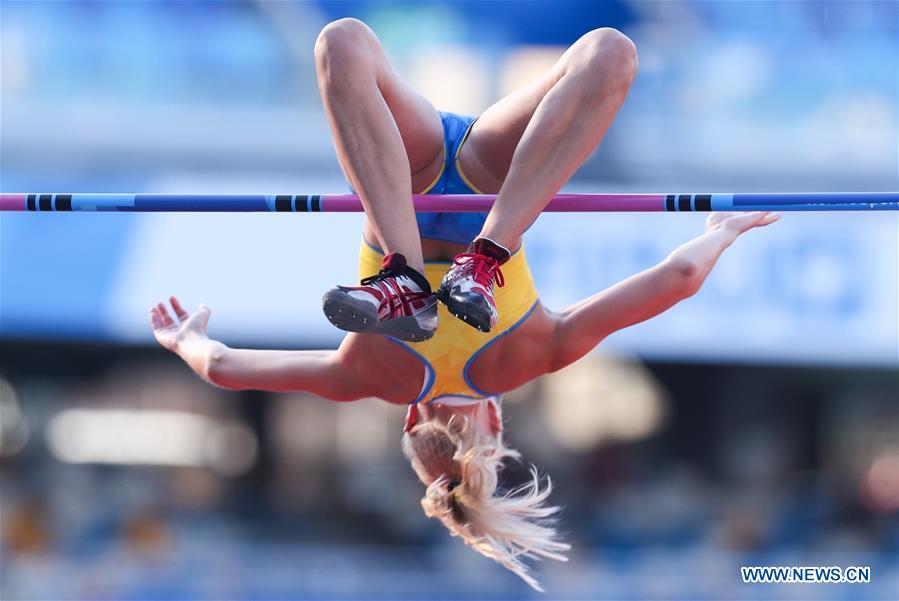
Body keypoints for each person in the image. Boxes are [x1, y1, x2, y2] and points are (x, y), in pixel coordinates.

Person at [149, 19, 779, 591]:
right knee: (340, 46)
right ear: (407, 421)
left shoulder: (528, 360)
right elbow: (225, 369)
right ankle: (435, 268)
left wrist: (719, 234)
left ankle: (451, 267)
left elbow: (679, 278)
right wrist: (186, 339)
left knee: (610, 55)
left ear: (498, 423)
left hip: (456, 181)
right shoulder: (370, 376)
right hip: (432, 177)